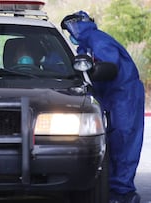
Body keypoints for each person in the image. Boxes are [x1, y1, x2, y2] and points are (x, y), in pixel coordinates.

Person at [61, 11, 144, 203]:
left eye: (69, 30)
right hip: (110, 96)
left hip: (124, 95)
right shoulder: (85, 45)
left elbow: (108, 67)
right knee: (112, 143)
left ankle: (123, 193)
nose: (70, 36)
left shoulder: (98, 41)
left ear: (76, 26)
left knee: (124, 141)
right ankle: (114, 189)